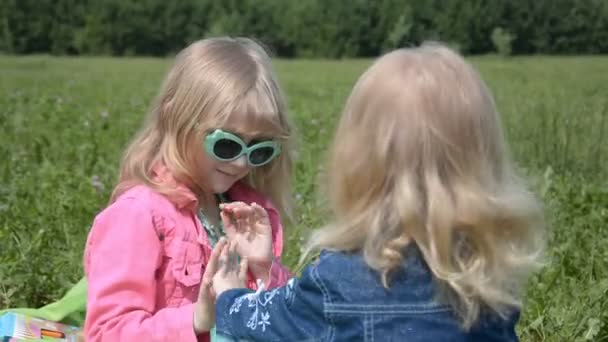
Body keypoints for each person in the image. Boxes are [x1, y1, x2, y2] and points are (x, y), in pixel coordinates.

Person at [207, 42, 545, 341]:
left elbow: (265, 322)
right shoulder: (486, 277)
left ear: (356, 163)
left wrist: (230, 297)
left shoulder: (343, 279)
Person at [83, 37, 294, 342]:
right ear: (177, 118)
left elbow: (291, 320)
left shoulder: (245, 211)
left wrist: (266, 269)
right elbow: (106, 334)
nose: (240, 162)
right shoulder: (139, 215)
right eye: (225, 143)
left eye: (259, 149)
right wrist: (199, 317)